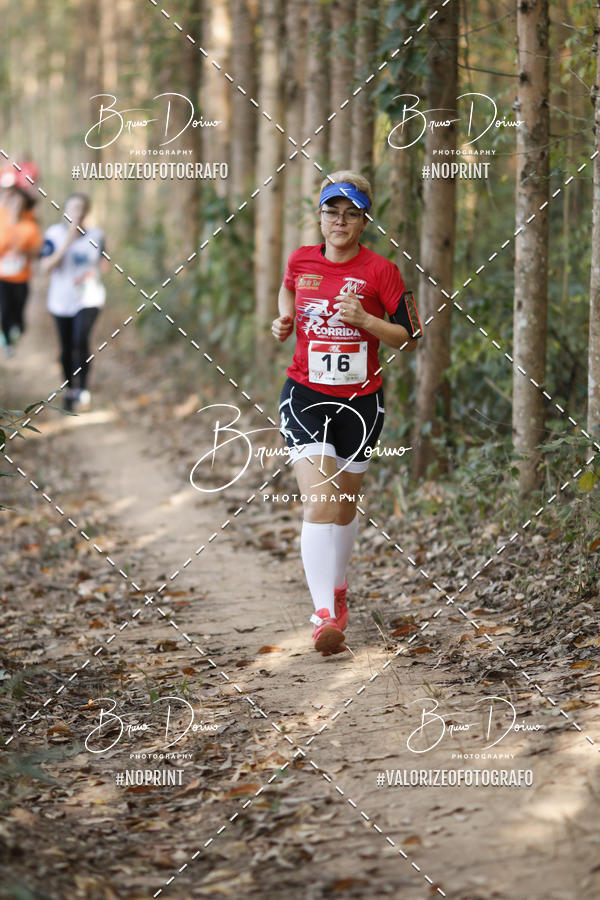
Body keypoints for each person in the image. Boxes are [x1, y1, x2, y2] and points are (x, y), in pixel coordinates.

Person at [272, 170, 422, 655]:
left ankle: (337, 591)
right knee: (320, 500)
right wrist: (285, 318)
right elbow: (288, 289)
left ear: (364, 221)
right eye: (331, 211)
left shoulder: (383, 271)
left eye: (350, 213)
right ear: (320, 216)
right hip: (305, 395)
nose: (339, 221)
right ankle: (322, 616)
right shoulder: (301, 259)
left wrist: (366, 321)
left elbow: (410, 337)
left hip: (362, 401)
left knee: (346, 503)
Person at [40, 194, 108, 411]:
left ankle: (83, 389)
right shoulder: (54, 234)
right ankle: (69, 387)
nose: (76, 213)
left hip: (89, 298)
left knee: (81, 340)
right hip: (60, 300)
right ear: (65, 211)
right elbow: (45, 267)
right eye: (72, 208)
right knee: (66, 346)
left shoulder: (96, 235)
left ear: (86, 212)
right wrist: (68, 241)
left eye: (81, 208)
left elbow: (104, 262)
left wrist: (97, 270)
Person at [0, 181, 42, 356]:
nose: (16, 206)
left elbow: (36, 253)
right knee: (4, 308)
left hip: (22, 276)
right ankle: (8, 342)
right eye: (13, 202)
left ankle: (19, 325)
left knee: (18, 307)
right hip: (2, 276)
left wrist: (24, 251)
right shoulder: (1, 221)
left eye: (20, 203)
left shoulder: (30, 227)